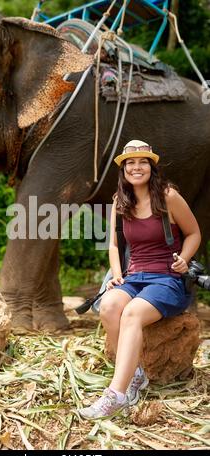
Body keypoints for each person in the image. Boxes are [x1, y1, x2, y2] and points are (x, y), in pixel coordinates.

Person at [78, 139, 201, 420]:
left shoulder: (168, 197)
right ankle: (134, 376)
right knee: (109, 306)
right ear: (123, 170)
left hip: (167, 279)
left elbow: (194, 233)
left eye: (142, 161)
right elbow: (113, 245)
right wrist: (117, 274)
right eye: (130, 163)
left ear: (151, 166)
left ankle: (116, 396)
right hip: (134, 277)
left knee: (131, 313)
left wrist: (184, 257)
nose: (136, 167)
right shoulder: (119, 202)